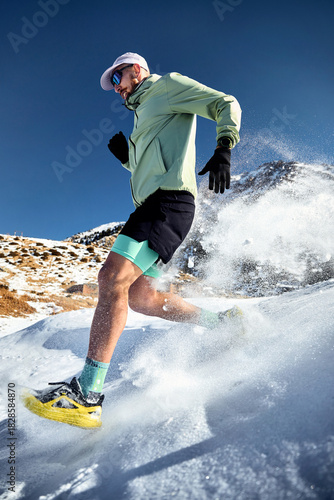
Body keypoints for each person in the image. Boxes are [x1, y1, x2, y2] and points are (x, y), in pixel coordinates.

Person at [23, 52, 242, 427]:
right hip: (155, 205)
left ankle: (87, 394)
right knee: (141, 297)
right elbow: (157, 159)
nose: (117, 89)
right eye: (113, 84)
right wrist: (128, 159)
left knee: (111, 279)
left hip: (167, 202)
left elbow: (225, 103)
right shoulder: (143, 115)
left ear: (136, 69)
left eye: (118, 78)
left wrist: (224, 147)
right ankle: (225, 325)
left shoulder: (167, 86)